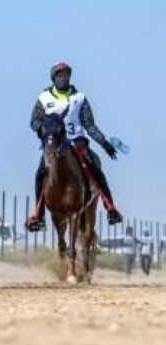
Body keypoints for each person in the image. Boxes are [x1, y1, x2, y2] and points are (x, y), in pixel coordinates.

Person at [26, 61, 123, 230]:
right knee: (40, 173)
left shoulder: (80, 98)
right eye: (59, 75)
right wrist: (42, 129)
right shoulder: (44, 98)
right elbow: (34, 121)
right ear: (54, 78)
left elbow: (90, 125)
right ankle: (38, 214)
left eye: (66, 75)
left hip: (77, 142)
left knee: (95, 169)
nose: (63, 78)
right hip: (54, 144)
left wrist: (104, 143)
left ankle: (110, 207)